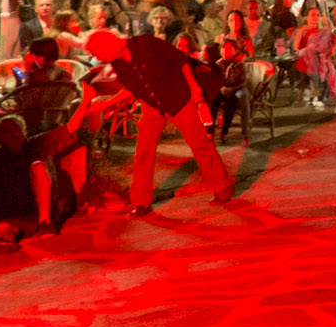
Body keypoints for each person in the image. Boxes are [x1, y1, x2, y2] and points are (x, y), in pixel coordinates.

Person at [78, 32, 232, 215]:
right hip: (152, 106)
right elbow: (131, 88)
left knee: (200, 145)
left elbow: (180, 60)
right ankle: (141, 201)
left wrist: (194, 87)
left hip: (178, 98)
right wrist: (106, 104)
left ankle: (222, 186)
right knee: (143, 151)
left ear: (107, 45)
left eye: (96, 51)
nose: (96, 57)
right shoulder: (117, 63)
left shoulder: (145, 43)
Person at [0, 116, 67, 255]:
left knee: (37, 166)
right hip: (12, 215)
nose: (14, 134)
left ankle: (45, 225)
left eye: (17, 129)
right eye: (8, 131)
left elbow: (68, 129)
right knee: (5, 227)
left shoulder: (34, 146)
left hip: (38, 212)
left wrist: (85, 104)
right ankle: (4, 244)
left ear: (24, 131)